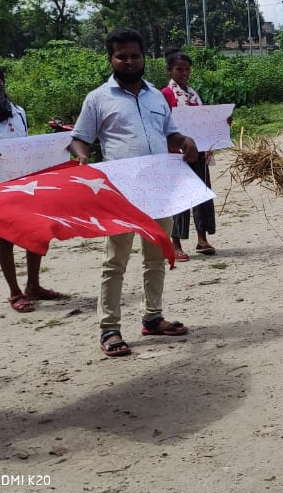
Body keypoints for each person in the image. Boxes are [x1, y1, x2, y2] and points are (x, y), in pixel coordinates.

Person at [69, 28, 199, 357]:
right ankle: (109, 328)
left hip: (158, 188)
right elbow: (79, 137)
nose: (129, 61)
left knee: (156, 257)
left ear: (144, 58)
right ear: (111, 59)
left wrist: (183, 141)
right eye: (121, 56)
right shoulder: (98, 98)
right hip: (121, 191)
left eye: (134, 55)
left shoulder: (157, 96)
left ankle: (153, 317)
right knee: (115, 260)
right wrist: (81, 154)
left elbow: (169, 134)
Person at [0, 63, 65, 311]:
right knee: (7, 235)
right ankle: (14, 291)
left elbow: (26, 142)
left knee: (35, 231)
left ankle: (34, 284)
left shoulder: (19, 111)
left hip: (27, 178)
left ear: (4, 82)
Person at [160, 50, 217, 261]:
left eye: (187, 69)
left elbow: (203, 121)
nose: (184, 73)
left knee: (202, 194)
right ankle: (175, 244)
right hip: (177, 154)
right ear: (169, 70)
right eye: (179, 69)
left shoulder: (193, 95)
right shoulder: (165, 94)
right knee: (180, 198)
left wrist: (221, 123)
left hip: (199, 151)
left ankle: (202, 239)